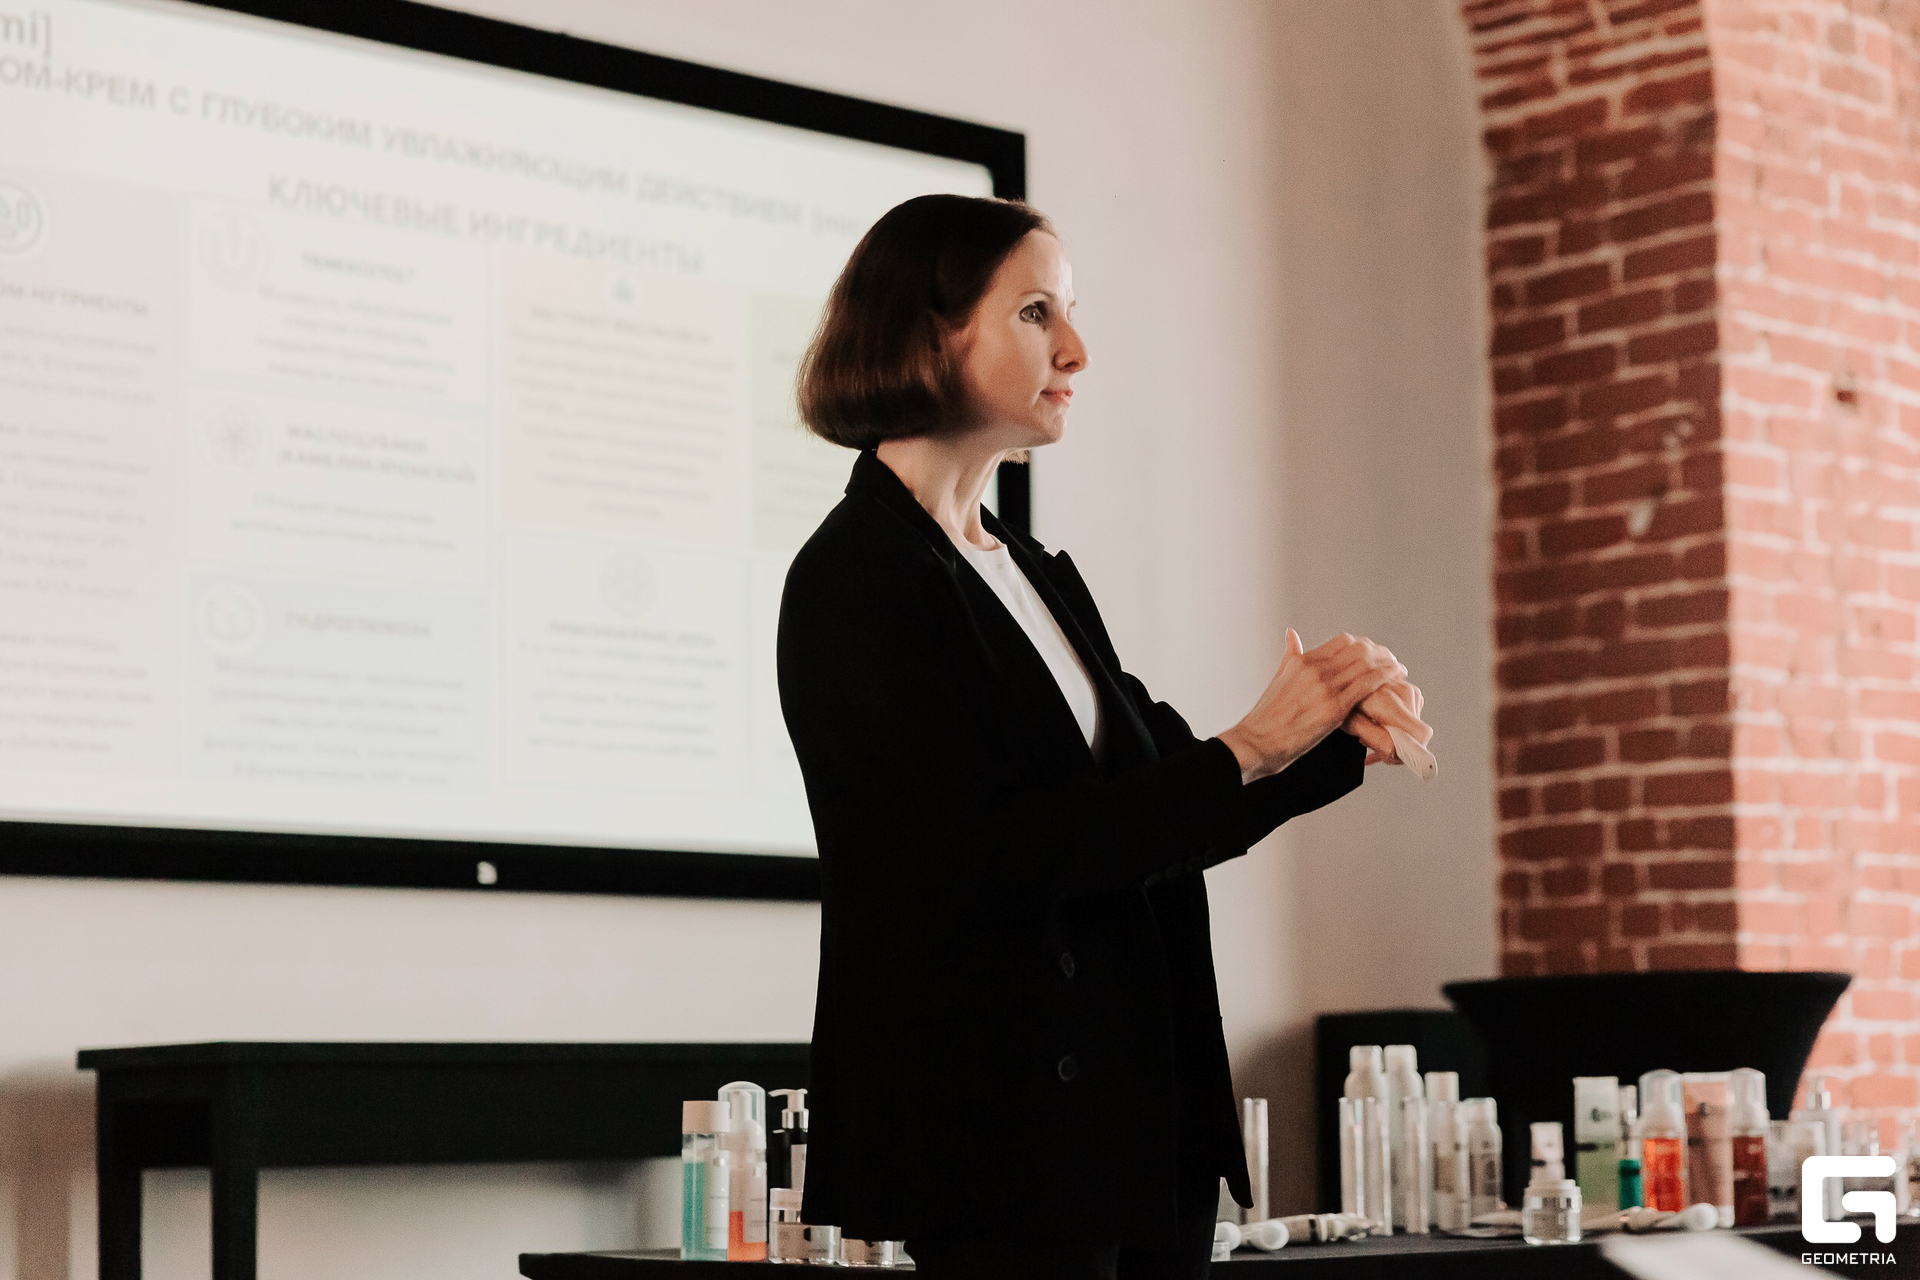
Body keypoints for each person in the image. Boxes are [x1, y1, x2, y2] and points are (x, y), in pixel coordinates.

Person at [776, 194, 1429, 1280]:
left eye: (1071, 310)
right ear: (928, 334)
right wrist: (1248, 745)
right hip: (1004, 1145)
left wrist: (1329, 734)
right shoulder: (851, 578)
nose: (1076, 348)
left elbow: (1157, 808)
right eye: (1037, 312)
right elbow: (988, 857)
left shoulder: (1032, 571)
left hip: (1139, 1129)